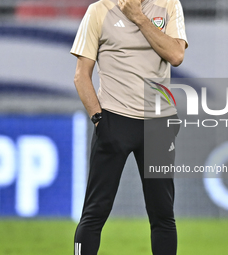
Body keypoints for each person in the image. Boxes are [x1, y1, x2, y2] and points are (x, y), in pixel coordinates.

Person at [70, 0, 188, 254]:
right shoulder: (99, 10)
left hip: (158, 125)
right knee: (95, 212)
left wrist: (139, 18)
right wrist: (98, 119)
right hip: (115, 119)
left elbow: (177, 55)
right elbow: (81, 75)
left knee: (163, 215)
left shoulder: (168, 5)